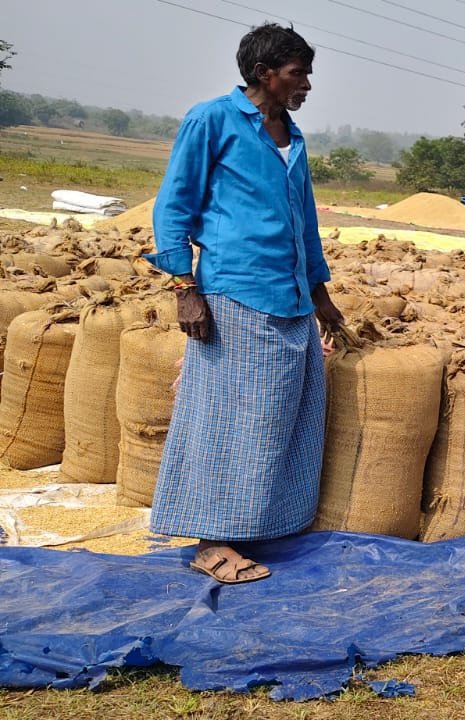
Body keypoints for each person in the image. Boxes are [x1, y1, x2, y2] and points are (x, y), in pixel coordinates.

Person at [144, 23, 344, 585]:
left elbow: (304, 221)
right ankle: (211, 542)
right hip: (235, 291)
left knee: (286, 415)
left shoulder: (292, 136)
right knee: (229, 418)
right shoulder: (212, 120)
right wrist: (186, 290)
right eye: (296, 73)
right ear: (264, 73)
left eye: (306, 73)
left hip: (290, 298)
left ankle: (259, 523)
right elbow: (174, 206)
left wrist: (320, 295)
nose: (305, 84)